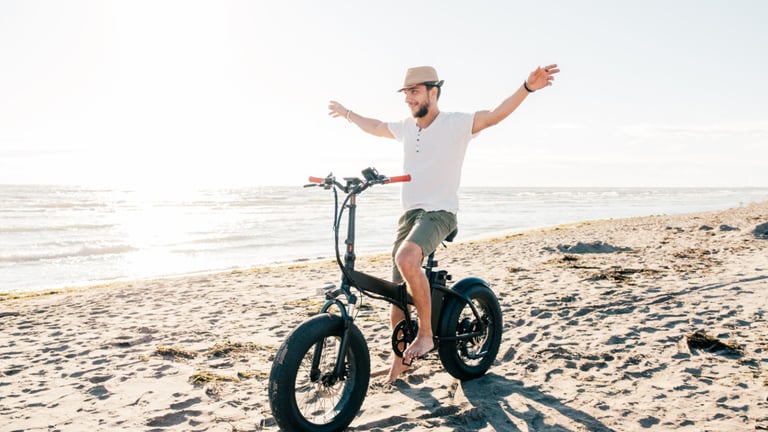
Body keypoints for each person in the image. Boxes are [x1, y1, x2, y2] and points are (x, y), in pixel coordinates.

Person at [328, 64, 560, 383]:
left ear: (433, 92)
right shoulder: (409, 128)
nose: (409, 98)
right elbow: (377, 126)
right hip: (410, 215)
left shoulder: (455, 124)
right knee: (397, 294)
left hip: (440, 213)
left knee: (406, 259)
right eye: (406, 93)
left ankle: (425, 334)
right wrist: (348, 113)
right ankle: (401, 361)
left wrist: (527, 87)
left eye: (415, 91)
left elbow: (493, 115)